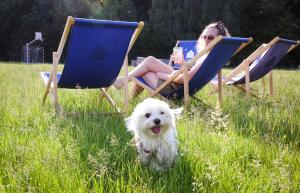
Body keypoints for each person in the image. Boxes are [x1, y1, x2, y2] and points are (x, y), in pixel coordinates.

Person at [113, 21, 230, 96]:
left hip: (175, 89)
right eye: (204, 36)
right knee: (149, 61)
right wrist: (183, 62)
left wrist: (162, 75)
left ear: (219, 40)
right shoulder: (212, 56)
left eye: (210, 37)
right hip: (180, 84)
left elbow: (185, 79)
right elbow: (190, 75)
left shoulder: (207, 58)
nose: (206, 40)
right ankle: (123, 83)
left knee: (144, 70)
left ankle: (124, 84)